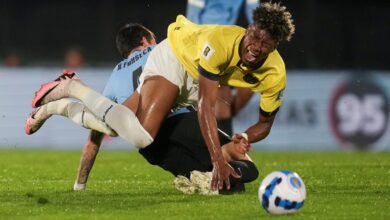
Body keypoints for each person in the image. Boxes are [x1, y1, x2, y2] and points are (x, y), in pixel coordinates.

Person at [28, 2, 295, 191]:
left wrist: (246, 137)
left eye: (265, 44)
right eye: (254, 37)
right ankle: (73, 88)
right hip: (175, 58)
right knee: (142, 135)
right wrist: (217, 161)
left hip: (191, 82)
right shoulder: (220, 41)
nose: (255, 48)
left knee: (111, 125)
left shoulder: (275, 74)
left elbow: (265, 124)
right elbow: (204, 107)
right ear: (248, 29)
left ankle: (58, 105)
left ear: (275, 46)